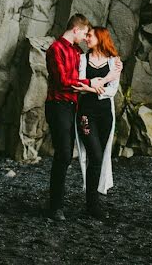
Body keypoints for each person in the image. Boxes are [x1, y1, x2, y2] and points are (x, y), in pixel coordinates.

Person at [44, 13, 95, 221]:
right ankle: (55, 206)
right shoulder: (55, 48)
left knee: (68, 154)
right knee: (64, 153)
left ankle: (59, 204)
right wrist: (89, 84)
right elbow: (64, 80)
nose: (85, 37)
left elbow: (92, 64)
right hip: (58, 105)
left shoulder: (76, 51)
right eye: (84, 33)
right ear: (75, 29)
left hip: (73, 106)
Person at [74, 26, 122, 219]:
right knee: (94, 155)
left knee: (100, 158)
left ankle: (94, 199)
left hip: (105, 116)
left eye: (90, 35)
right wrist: (103, 82)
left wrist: (93, 87)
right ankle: (92, 204)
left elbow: (112, 91)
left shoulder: (114, 62)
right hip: (86, 115)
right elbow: (79, 84)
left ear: (100, 37)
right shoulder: (83, 59)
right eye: (86, 35)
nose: (86, 38)